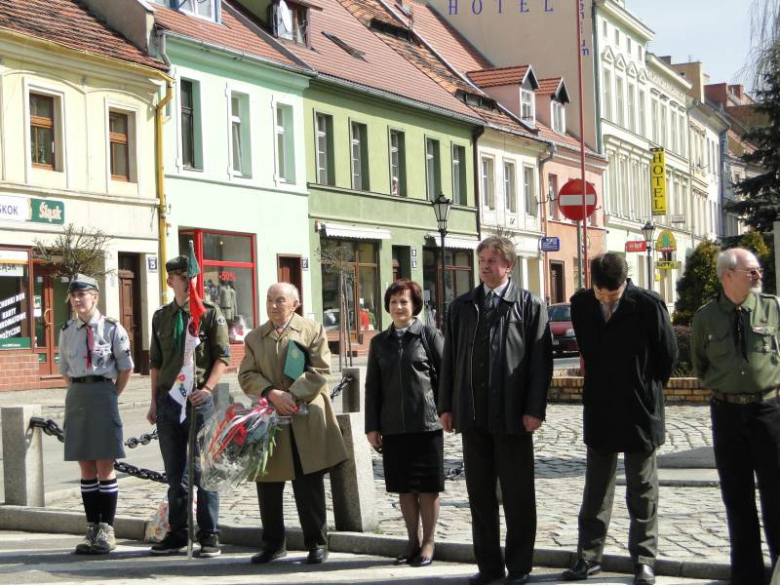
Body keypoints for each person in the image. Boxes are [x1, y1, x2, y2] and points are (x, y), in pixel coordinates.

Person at [438, 235, 552, 585]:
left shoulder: (529, 306)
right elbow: (450, 361)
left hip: (513, 416)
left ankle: (519, 567)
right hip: (473, 415)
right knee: (480, 496)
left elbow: (540, 364)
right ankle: (488, 567)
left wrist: (534, 409)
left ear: (508, 266)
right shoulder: (462, 306)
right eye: (482, 259)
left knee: (518, 496)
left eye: (492, 260)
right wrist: (446, 405)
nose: (485, 265)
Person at [563, 253, 677, 585]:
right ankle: (588, 556)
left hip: (640, 409)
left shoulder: (647, 304)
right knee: (596, 489)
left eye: (612, 295)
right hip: (600, 407)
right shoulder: (581, 304)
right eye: (600, 293)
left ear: (624, 284)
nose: (606, 300)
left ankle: (643, 560)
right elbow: (588, 350)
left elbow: (666, 356)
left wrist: (645, 388)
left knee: (642, 490)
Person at [239, 283, 347, 565]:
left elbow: (320, 369)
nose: (273, 306)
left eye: (280, 300)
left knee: (308, 484)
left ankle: (317, 543)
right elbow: (247, 374)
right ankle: (273, 544)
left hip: (303, 419)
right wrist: (271, 393)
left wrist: (292, 395)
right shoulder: (254, 337)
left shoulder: (311, 330)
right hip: (270, 420)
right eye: (269, 300)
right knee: (268, 485)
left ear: (295, 303)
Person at [692, 247, 780, 585]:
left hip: (768, 412)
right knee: (737, 496)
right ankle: (748, 577)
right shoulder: (706, 317)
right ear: (728, 275)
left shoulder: (771, 308)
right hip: (726, 412)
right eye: (752, 271)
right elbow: (700, 363)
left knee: (777, 495)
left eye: (758, 271)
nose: (758, 276)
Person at [146, 255, 230, 557]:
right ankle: (178, 532)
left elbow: (223, 357)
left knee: (205, 469)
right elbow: (155, 364)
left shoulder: (208, 313)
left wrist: (207, 389)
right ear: (171, 280)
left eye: (189, 276)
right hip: (170, 401)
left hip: (199, 401)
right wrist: (153, 401)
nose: (187, 281)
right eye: (182, 276)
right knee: (175, 473)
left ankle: (209, 534)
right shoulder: (161, 317)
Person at [365, 279, 444, 568]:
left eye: (404, 301)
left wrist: (445, 412)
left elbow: (446, 377)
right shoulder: (378, 343)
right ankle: (412, 538)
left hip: (426, 425)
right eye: (394, 301)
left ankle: (429, 541)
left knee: (427, 487)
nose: (399, 307)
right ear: (388, 305)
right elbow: (372, 387)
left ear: (414, 306)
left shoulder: (428, 336)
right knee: (404, 487)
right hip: (393, 426)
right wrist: (372, 426)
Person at [58, 273, 134, 555]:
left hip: (104, 393)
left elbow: (125, 368)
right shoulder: (66, 330)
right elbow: (66, 371)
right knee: (85, 466)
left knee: (105, 465)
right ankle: (91, 527)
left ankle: (107, 529)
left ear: (95, 297)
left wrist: (113, 395)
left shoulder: (113, 329)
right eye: (74, 296)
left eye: (82, 295)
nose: (77, 300)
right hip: (77, 395)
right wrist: (80, 391)